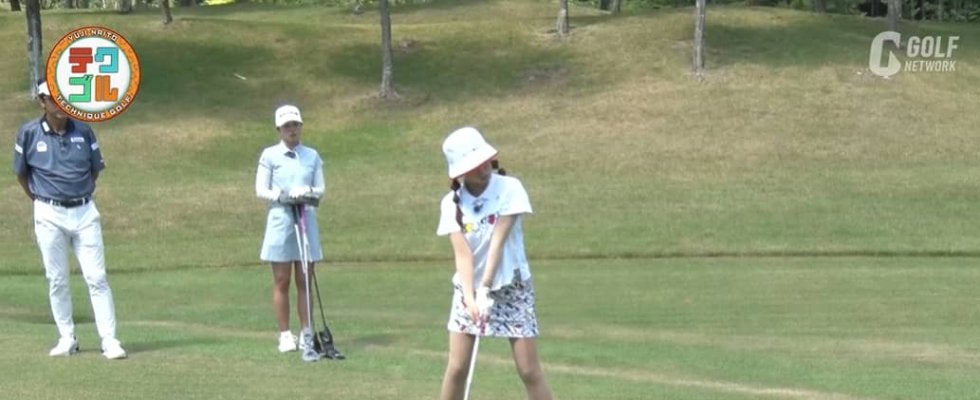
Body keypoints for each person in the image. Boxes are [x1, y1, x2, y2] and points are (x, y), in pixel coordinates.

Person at [12, 80, 127, 359]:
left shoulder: (83, 130)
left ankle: (109, 340)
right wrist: (41, 200)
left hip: (84, 211)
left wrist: (79, 193)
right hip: (48, 212)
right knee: (57, 279)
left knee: (97, 277)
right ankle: (67, 337)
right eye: (52, 99)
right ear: (42, 102)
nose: (59, 104)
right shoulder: (28, 133)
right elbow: (22, 174)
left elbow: (94, 170)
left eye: (63, 98)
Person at [436, 127, 553, 400]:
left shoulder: (510, 188)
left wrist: (486, 288)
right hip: (469, 289)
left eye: (485, 161)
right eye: (474, 165)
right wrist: (470, 298)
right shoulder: (451, 204)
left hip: (512, 287)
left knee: (529, 369)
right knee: (457, 368)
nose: (483, 168)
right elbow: (463, 255)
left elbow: (497, 242)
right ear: (460, 172)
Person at [254, 104, 325, 356]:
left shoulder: (312, 155)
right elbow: (261, 189)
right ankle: (285, 334)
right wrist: (281, 195)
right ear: (279, 129)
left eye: (295, 124)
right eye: (287, 126)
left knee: (304, 279)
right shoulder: (270, 155)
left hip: (306, 218)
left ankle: (307, 333)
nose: (292, 129)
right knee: (282, 280)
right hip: (281, 220)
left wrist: (307, 191)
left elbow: (320, 189)